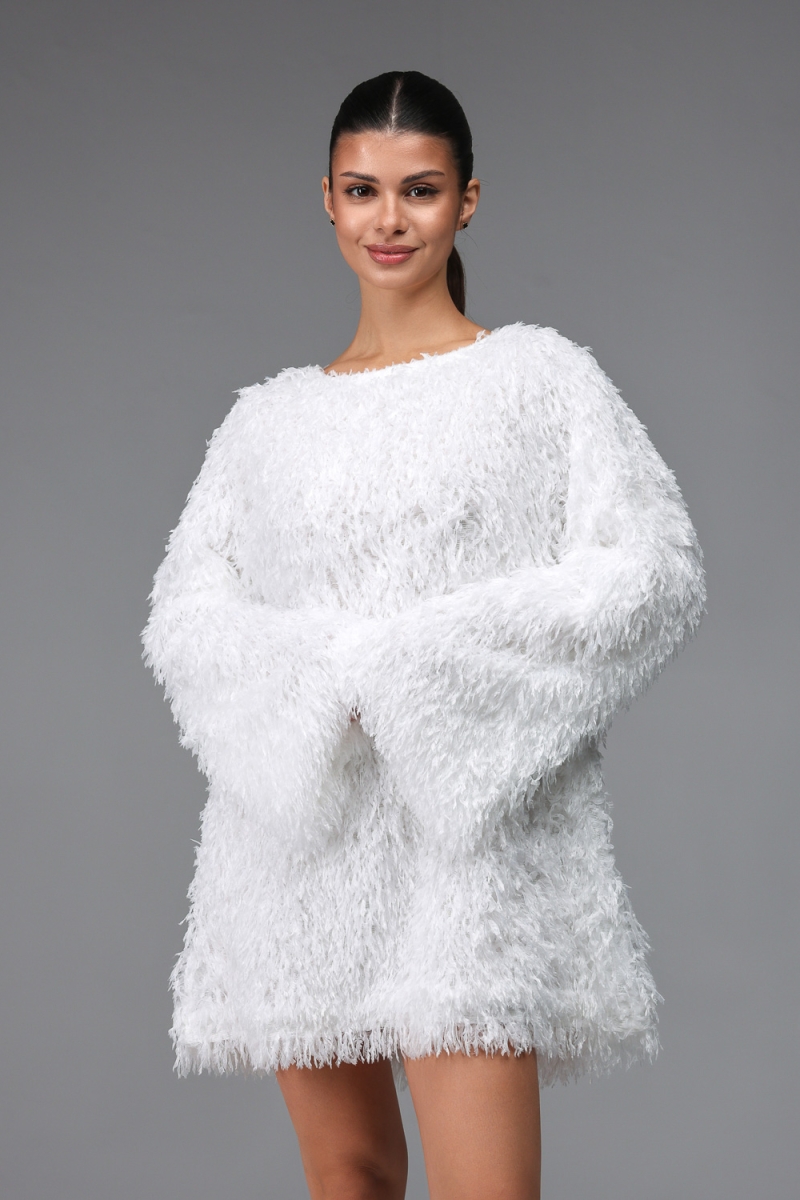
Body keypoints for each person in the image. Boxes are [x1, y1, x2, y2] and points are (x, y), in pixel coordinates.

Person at [142, 70, 705, 1200]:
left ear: (467, 201)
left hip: (472, 847)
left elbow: (649, 568)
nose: (388, 219)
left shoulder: (538, 380)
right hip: (303, 849)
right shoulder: (265, 423)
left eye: (419, 190)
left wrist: (418, 670)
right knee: (348, 1175)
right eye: (362, 190)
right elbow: (187, 616)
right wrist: (321, 682)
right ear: (327, 200)